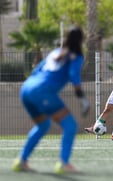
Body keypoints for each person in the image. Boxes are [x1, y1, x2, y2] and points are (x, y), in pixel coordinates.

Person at [12, 26, 90, 173]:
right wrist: (83, 98)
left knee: (43, 125)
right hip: (43, 92)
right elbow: (74, 76)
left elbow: (36, 70)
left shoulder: (55, 52)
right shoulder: (77, 56)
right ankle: (64, 163)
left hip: (26, 89)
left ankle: (21, 161)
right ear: (81, 41)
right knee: (70, 125)